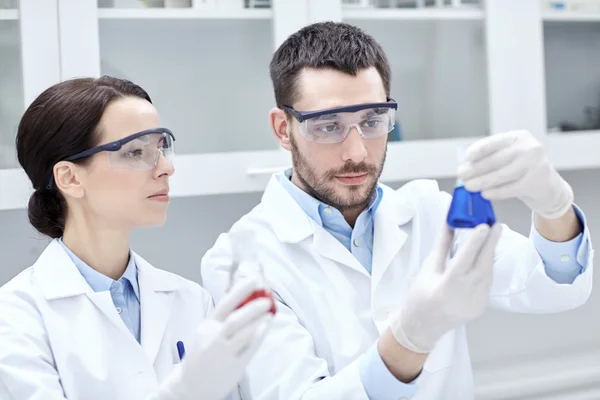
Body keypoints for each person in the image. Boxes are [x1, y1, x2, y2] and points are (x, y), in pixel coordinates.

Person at [200, 22, 594, 399]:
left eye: (372, 121)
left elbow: (551, 288)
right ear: (284, 129)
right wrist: (409, 339)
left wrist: (554, 205)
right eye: (327, 126)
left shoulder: (430, 213)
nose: (356, 152)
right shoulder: (238, 261)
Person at [0, 76, 273, 400]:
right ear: (70, 178)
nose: (165, 168)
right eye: (134, 152)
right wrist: (186, 391)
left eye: (160, 147)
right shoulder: (16, 318)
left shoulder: (191, 301)